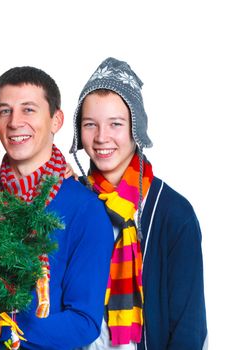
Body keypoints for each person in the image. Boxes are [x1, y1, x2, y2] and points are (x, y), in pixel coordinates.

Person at [0, 66, 114, 349]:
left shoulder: (85, 210)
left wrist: (3, 329)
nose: (15, 122)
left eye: (28, 110)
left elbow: (84, 323)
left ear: (56, 120)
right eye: (5, 111)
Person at [70, 57, 207, 349]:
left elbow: (188, 327)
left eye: (115, 124)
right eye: (90, 124)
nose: (102, 137)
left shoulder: (173, 214)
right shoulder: (71, 202)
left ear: (136, 128)